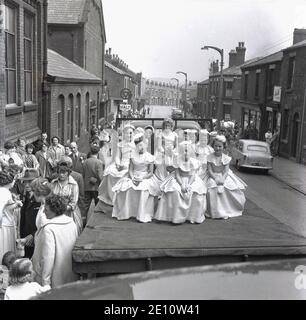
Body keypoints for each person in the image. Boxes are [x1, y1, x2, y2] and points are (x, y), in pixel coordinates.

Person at [32, 195, 78, 288]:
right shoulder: (71, 222)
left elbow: (48, 257)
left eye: (46, 209)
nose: (44, 212)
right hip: (70, 273)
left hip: (54, 278)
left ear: (55, 210)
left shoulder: (48, 229)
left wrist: (45, 282)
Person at [155, 141, 207, 224]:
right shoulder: (178, 160)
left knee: (196, 190)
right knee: (175, 190)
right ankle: (175, 216)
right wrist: (182, 185)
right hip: (178, 179)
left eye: (187, 151)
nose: (185, 153)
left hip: (190, 179)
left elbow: (193, 175)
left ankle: (193, 215)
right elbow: (177, 174)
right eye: (182, 151)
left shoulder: (193, 162)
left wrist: (189, 185)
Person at [112, 133, 160, 223]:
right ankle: (128, 212)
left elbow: (150, 172)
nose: (140, 147)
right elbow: (130, 169)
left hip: (145, 177)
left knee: (143, 189)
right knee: (128, 187)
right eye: (138, 145)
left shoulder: (149, 157)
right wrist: (132, 177)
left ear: (145, 145)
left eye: (142, 145)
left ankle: (142, 213)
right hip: (133, 175)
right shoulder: (132, 155)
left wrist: (142, 178)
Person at [205, 135, 247, 219]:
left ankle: (227, 209)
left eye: (220, 146)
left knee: (228, 187)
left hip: (224, 175)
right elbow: (209, 170)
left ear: (223, 147)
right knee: (211, 187)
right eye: (216, 146)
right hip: (212, 175)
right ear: (213, 146)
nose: (217, 148)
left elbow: (226, 171)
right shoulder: (209, 157)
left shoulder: (226, 158)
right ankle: (214, 211)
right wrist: (215, 178)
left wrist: (222, 179)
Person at [97, 124, 135, 207]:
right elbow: (118, 156)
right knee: (110, 172)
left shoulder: (135, 145)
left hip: (132, 164)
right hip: (122, 163)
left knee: (124, 174)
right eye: (127, 133)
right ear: (124, 134)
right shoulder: (120, 145)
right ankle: (112, 197)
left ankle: (123, 198)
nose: (129, 135)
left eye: (131, 133)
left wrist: (127, 165)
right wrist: (118, 164)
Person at [50, 163, 83, 235]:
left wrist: (63, 208)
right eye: (59, 172)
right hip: (55, 212)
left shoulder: (73, 184)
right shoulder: (54, 183)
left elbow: (74, 202)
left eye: (64, 173)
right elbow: (50, 197)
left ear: (68, 173)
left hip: (69, 212)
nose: (61, 175)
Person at [0, 171, 23, 262]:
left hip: (6, 223)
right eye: (13, 180)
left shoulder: (4, 191)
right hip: (5, 225)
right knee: (5, 248)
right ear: (9, 181)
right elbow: (1, 208)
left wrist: (15, 204)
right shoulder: (4, 192)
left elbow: (6, 207)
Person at [19, 169, 41, 258]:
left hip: (36, 239)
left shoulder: (40, 198)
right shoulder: (26, 196)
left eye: (30, 181)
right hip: (26, 240)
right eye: (25, 181)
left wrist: (33, 235)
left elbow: (45, 221)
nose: (27, 184)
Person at [154, 118, 178, 184]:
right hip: (162, 152)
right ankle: (162, 179)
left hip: (172, 152)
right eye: (166, 126)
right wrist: (164, 151)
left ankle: (171, 179)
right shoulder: (161, 134)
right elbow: (159, 146)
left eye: (169, 126)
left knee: (173, 162)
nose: (167, 127)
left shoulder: (175, 135)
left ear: (171, 126)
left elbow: (176, 146)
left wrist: (172, 151)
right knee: (163, 162)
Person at [83, 146, 104, 219]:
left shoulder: (85, 162)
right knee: (97, 205)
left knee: (85, 206)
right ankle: (96, 220)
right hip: (96, 187)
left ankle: (83, 220)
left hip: (86, 186)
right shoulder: (99, 162)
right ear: (98, 152)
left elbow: (83, 174)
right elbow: (100, 176)